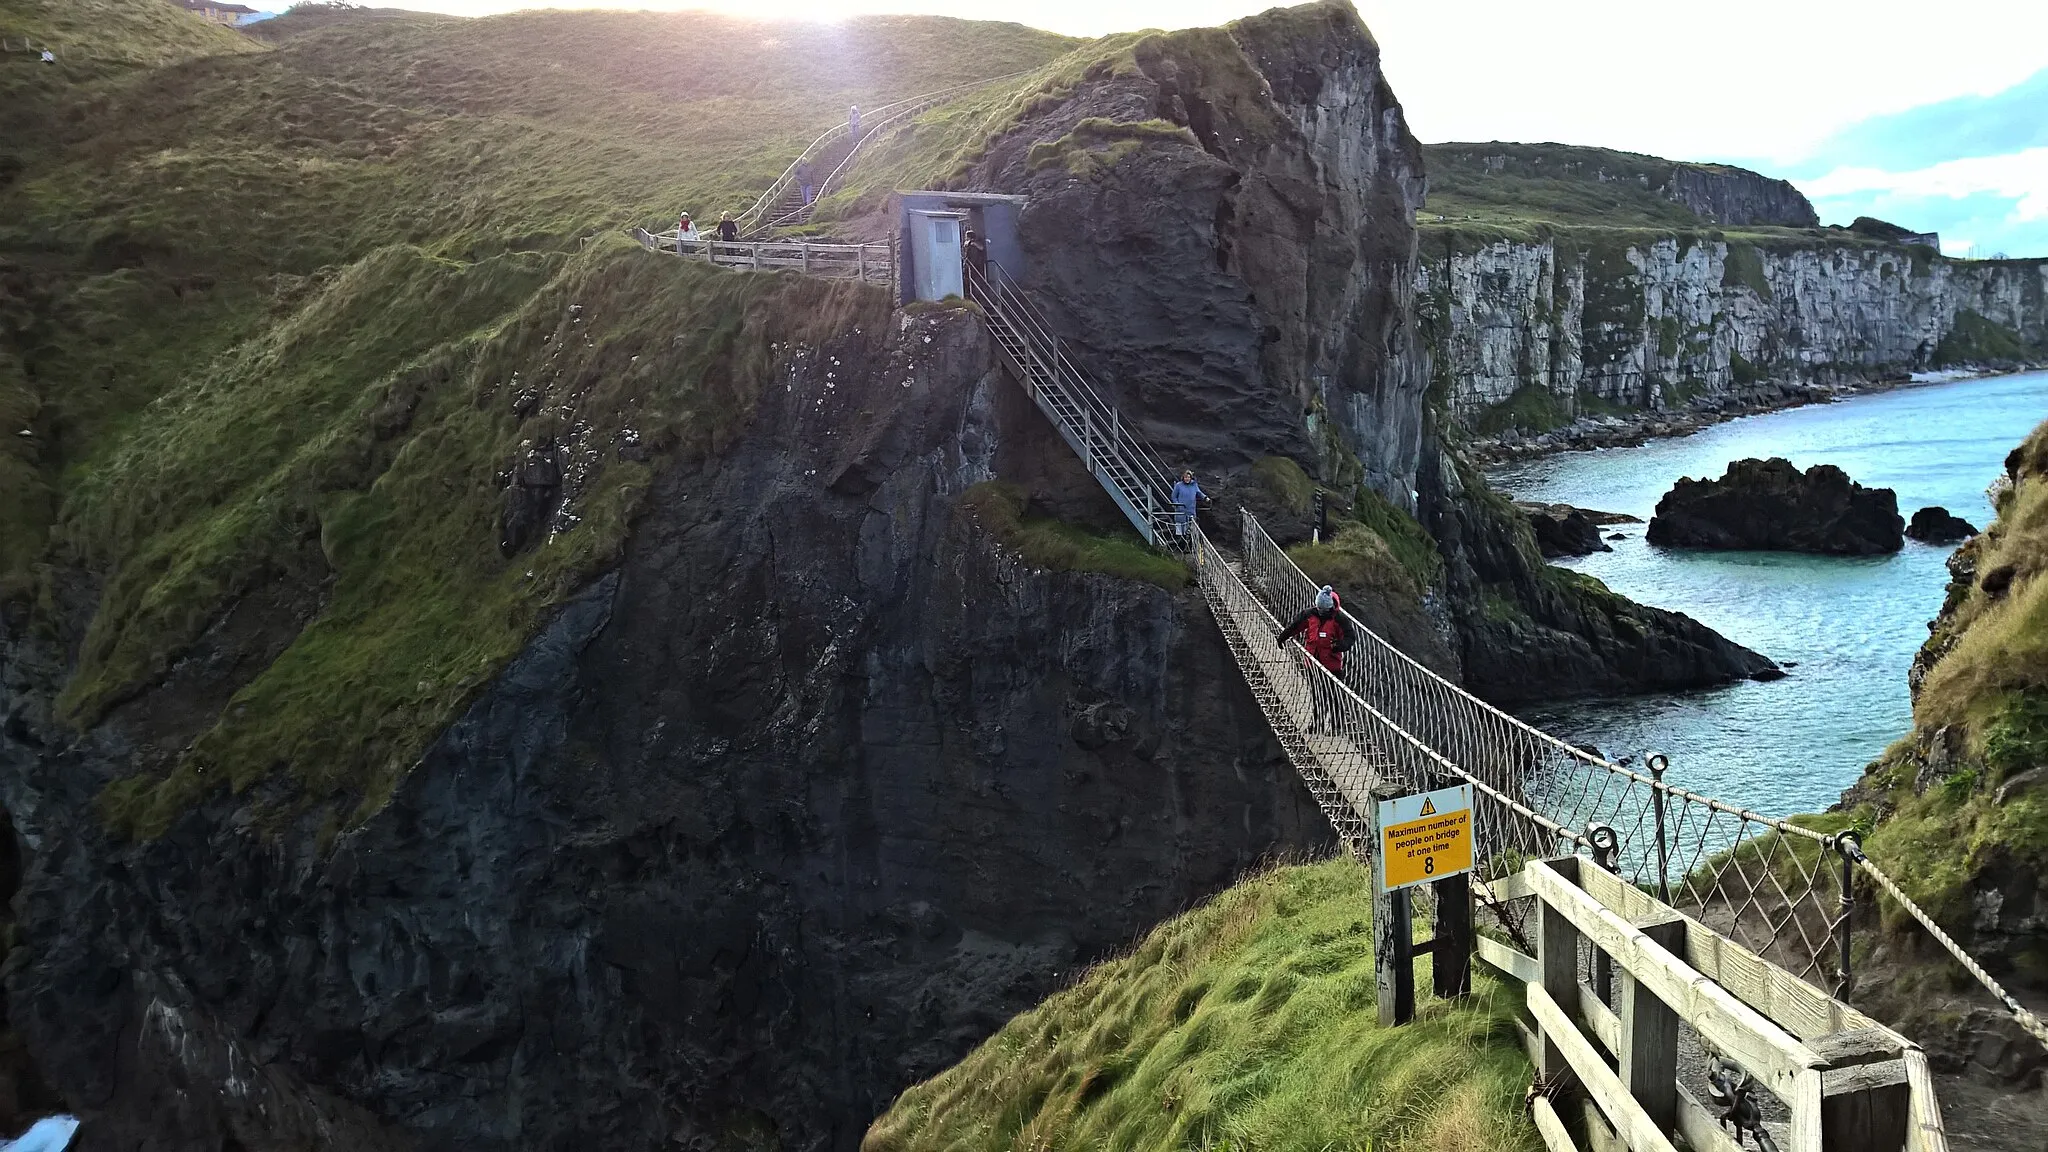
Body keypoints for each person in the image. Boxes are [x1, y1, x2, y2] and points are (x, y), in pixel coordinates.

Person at [1277, 585, 1355, 732]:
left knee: (1335, 697)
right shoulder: (1309, 614)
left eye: (1323, 609)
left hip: (1332, 665)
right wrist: (1282, 638)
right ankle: (1317, 725)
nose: (1320, 611)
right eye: (1319, 608)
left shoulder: (1339, 619)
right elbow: (1295, 626)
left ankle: (1337, 727)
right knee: (1317, 696)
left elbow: (1350, 638)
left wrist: (1338, 646)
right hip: (1313, 663)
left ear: (1330, 608)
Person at [1170, 469, 1206, 541]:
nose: (1187, 479)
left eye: (1188, 477)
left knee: (1191, 529)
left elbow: (1199, 492)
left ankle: (1190, 545)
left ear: (1191, 478)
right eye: (1185, 477)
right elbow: (1174, 496)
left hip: (1191, 510)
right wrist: (1178, 504)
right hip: (1181, 510)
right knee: (1181, 529)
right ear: (1183, 478)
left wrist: (1205, 498)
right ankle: (1181, 544)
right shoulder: (1178, 485)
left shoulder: (1194, 485)